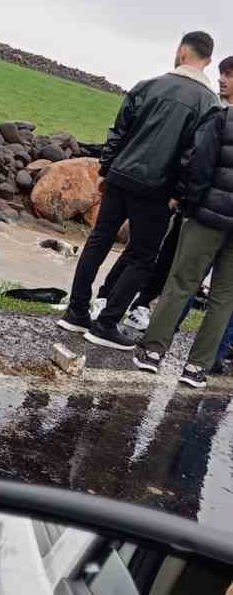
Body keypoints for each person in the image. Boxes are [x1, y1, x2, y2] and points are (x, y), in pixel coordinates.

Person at [58, 32, 218, 348]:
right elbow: (194, 155)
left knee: (98, 241)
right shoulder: (209, 104)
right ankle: (106, 324)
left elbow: (119, 130)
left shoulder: (148, 85)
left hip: (120, 176)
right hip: (158, 189)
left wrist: (106, 169)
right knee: (143, 256)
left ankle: (76, 312)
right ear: (208, 61)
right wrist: (180, 193)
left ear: (181, 52)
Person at [135, 89, 233, 387]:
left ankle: (152, 352)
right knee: (224, 298)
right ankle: (196, 367)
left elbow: (200, 164)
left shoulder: (223, 118)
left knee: (181, 282)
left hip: (206, 217)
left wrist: (190, 205)